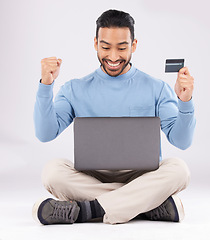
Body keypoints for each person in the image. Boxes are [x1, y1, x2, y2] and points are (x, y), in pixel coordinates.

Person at [32, 9, 195, 225]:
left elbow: (182, 141)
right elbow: (45, 133)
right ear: (95, 43)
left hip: (142, 176)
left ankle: (89, 210)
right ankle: (146, 204)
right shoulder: (74, 89)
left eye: (122, 47)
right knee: (52, 172)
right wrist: (46, 86)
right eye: (106, 47)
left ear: (134, 45)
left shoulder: (157, 88)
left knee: (179, 170)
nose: (113, 57)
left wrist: (185, 101)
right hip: (92, 177)